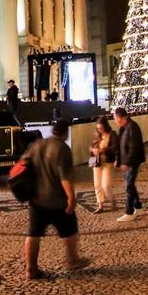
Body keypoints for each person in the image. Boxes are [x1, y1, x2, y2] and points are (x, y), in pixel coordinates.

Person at [23, 119, 90, 279]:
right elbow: (64, 177)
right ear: (65, 132)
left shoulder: (37, 145)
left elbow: (24, 164)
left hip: (37, 199)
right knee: (70, 231)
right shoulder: (63, 149)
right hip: (57, 201)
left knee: (33, 234)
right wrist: (71, 198)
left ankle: (30, 269)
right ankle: (73, 260)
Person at [114, 106, 146, 221]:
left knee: (129, 185)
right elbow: (121, 144)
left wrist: (126, 162)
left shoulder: (132, 127)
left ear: (120, 117)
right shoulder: (124, 127)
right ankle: (138, 205)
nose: (114, 120)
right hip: (128, 161)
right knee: (130, 184)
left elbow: (133, 147)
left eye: (115, 118)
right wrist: (118, 158)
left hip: (133, 161)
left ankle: (129, 212)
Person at [88, 116, 117, 213]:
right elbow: (90, 146)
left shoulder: (112, 134)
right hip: (97, 163)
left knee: (106, 185)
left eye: (101, 128)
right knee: (97, 185)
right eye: (98, 128)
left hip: (107, 162)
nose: (100, 130)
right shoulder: (96, 135)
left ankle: (112, 200)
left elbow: (114, 147)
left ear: (105, 126)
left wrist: (103, 150)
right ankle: (100, 206)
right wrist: (93, 150)